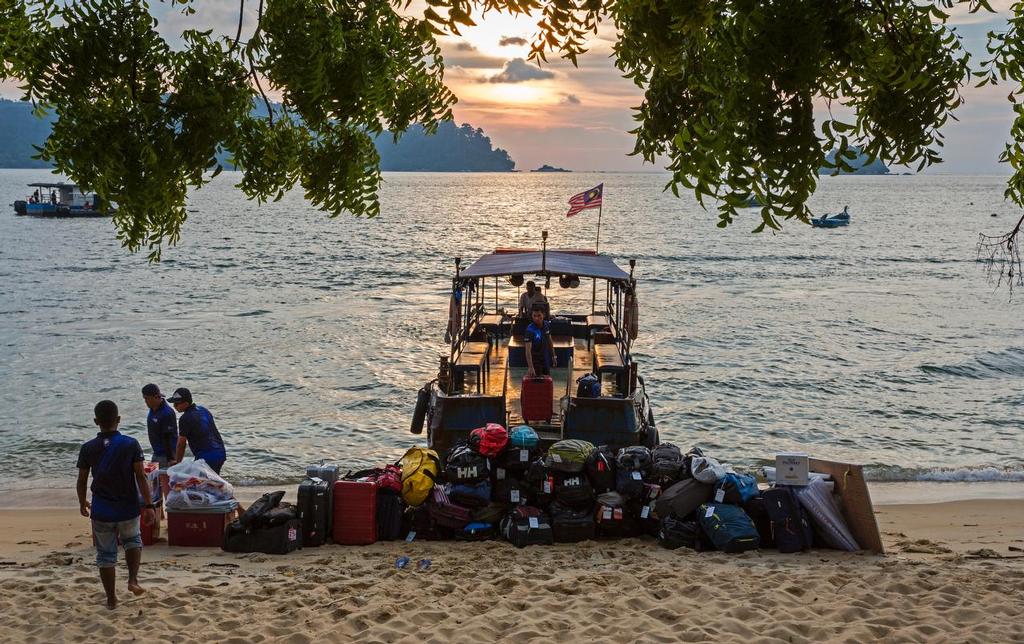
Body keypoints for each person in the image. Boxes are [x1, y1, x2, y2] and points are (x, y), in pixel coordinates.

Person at [76, 400, 156, 609]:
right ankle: (132, 580)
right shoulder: (130, 444)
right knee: (133, 541)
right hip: (127, 507)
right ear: (118, 420)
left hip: (101, 509)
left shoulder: (87, 448)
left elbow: (82, 479)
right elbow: (140, 476)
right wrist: (149, 505)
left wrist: (81, 501)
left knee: (105, 554)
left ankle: (111, 599)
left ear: (96, 421)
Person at [169, 387, 227, 474]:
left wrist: (178, 463)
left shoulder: (185, 418)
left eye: (177, 404)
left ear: (186, 403)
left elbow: (181, 444)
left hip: (206, 457)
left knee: (201, 484)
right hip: (220, 453)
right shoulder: (203, 410)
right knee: (213, 481)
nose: (174, 406)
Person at [142, 383, 177, 500]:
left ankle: (169, 507)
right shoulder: (152, 409)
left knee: (166, 482)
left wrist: (171, 458)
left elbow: (167, 437)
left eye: (147, 398)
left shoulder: (167, 412)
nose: (146, 401)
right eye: (144, 398)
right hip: (156, 452)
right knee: (154, 484)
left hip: (167, 453)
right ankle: (159, 511)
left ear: (156, 397)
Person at [524, 305, 557, 377]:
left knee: (547, 378)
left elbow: (550, 341)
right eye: (534, 316)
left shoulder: (546, 325)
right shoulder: (530, 330)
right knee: (537, 381)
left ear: (544, 315)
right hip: (535, 360)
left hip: (545, 357)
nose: (537, 318)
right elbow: (528, 350)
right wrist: (530, 367)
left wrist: (553, 356)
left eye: (539, 315)